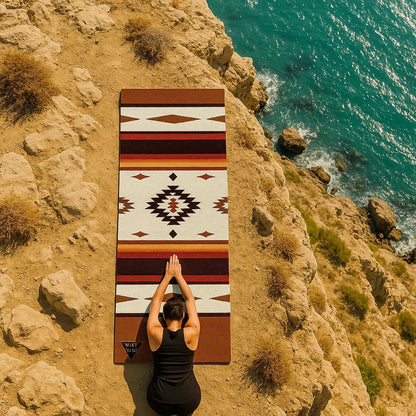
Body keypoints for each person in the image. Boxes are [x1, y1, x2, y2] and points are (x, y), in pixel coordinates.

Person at [146, 254, 201, 416]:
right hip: (189, 400)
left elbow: (156, 300)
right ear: (183, 317)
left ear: (163, 317)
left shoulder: (155, 332)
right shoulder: (192, 332)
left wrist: (167, 277)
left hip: (160, 401)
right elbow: (190, 300)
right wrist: (179, 276)